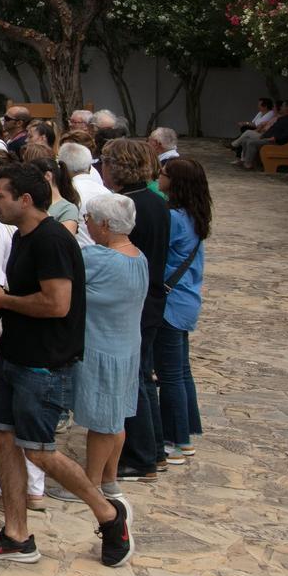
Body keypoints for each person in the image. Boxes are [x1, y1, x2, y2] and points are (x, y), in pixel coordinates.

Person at [0, 166, 132, 568]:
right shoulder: (22, 236)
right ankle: (16, 534)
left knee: (39, 451)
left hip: (43, 364)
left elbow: (58, 304)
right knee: (2, 439)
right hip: (14, 353)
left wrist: (3, 302)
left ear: (25, 199)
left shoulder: (51, 240)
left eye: (0, 195)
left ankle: (109, 515)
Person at [61, 193, 146, 503]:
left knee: (102, 421)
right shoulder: (138, 257)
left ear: (105, 225)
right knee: (116, 416)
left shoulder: (98, 258)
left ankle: (91, 482)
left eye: (90, 220)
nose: (87, 225)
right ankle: (109, 478)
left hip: (101, 348)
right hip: (126, 346)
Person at [102, 137, 171, 484]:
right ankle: (154, 450)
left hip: (137, 302)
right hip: (152, 296)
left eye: (107, 162)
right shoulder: (155, 201)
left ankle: (142, 455)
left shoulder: (128, 205)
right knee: (144, 377)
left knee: (136, 380)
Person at [157, 157, 209, 465]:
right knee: (181, 371)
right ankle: (186, 431)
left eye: (163, 174)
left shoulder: (174, 218)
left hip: (171, 302)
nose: (158, 177)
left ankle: (178, 441)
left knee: (170, 374)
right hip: (186, 298)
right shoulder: (195, 214)